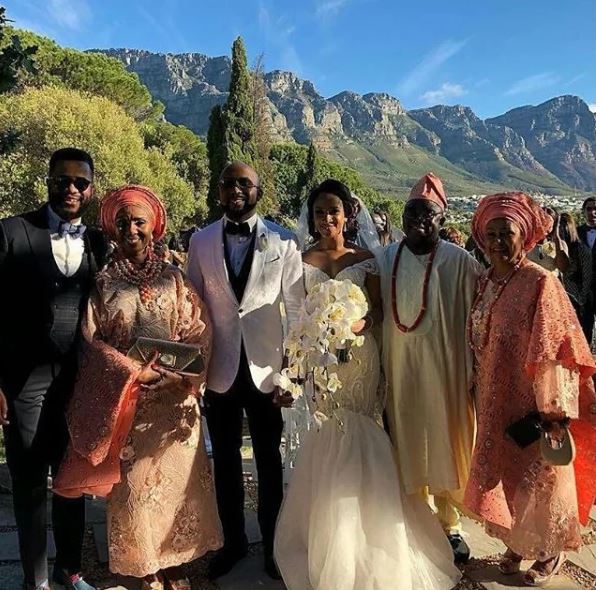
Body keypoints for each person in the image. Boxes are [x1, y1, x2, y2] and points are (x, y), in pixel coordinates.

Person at [274, 179, 461, 590]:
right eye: (319, 212)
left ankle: (377, 534)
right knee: (330, 436)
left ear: (348, 215)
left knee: (364, 430)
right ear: (311, 216)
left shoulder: (368, 259)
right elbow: (295, 316)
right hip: (322, 366)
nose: (327, 219)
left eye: (334, 211)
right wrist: (297, 363)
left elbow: (377, 311)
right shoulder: (300, 260)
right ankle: (327, 539)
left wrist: (353, 325)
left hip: (361, 360)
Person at [53, 185, 222, 590]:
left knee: (177, 484)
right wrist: (133, 372)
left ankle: (174, 559)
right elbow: (92, 342)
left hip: (174, 402)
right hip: (130, 403)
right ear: (112, 229)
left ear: (154, 228)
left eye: (139, 222)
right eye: (124, 222)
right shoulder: (104, 284)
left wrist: (181, 376)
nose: (131, 229)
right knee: (136, 488)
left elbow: (199, 328)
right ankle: (145, 565)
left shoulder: (175, 277)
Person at [465, 192, 596, 586]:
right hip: (494, 393)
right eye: (491, 234)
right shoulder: (486, 280)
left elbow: (557, 345)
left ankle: (550, 550)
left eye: (507, 233)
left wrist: (553, 408)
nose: (498, 242)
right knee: (508, 474)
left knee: (541, 475)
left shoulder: (541, 283)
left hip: (533, 398)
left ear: (525, 237)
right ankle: (518, 543)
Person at [186, 161, 304, 580]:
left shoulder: (284, 241)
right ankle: (233, 543)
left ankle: (273, 547)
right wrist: (191, 372)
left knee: (270, 463)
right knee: (227, 464)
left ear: (259, 190)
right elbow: (193, 310)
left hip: (266, 371)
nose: (236, 190)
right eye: (228, 183)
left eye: (244, 183)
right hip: (219, 369)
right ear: (218, 191)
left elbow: (297, 311)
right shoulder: (198, 242)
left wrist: (293, 374)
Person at [0, 148, 105, 590]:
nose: (71, 189)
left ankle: (69, 568)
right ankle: (35, 578)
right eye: (62, 180)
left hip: (77, 383)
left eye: (80, 182)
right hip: (22, 380)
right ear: (48, 181)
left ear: (91, 189)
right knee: (27, 481)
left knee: (71, 479)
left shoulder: (100, 242)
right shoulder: (12, 231)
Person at [381, 173, 483, 563]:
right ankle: (415, 519)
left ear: (443, 218)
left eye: (429, 213)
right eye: (411, 211)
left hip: (447, 373)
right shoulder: (386, 257)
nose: (418, 219)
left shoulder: (461, 262)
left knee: (446, 442)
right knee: (406, 440)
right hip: (400, 371)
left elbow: (480, 317)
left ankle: (450, 525)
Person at [559, 212, 592, 340]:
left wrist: (581, 300)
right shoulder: (555, 249)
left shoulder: (580, 249)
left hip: (578, 301)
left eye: (562, 227)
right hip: (562, 298)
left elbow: (587, 277)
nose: (560, 231)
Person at [526, 206, 569, 276]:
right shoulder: (526, 243)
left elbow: (563, 268)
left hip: (550, 284)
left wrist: (557, 239)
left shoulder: (558, 245)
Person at [577, 196, 596, 343]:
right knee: (584, 330)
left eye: (595, 209)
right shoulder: (576, 234)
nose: (593, 212)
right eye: (589, 209)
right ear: (584, 211)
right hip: (583, 291)